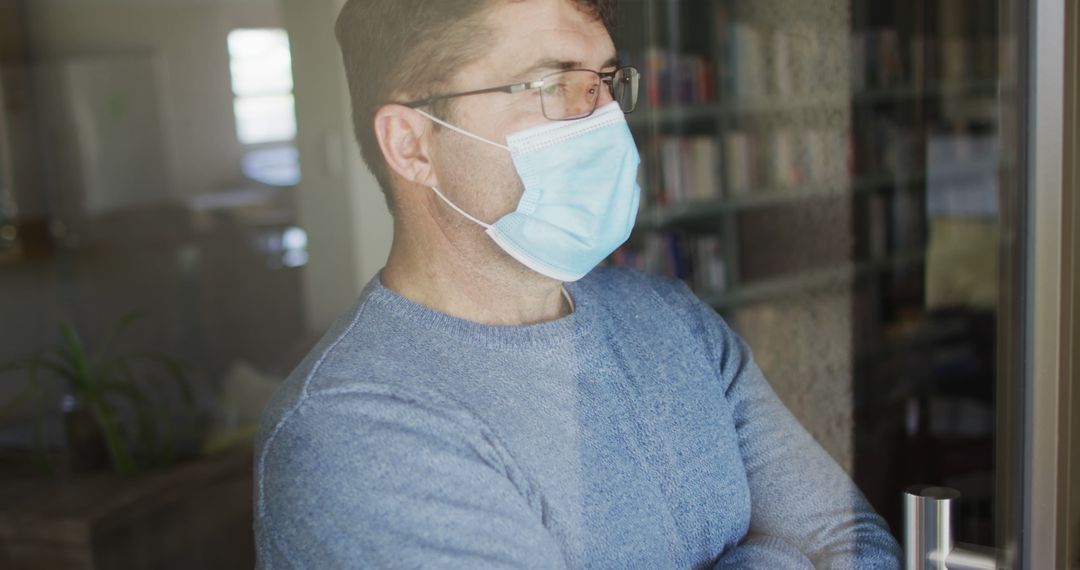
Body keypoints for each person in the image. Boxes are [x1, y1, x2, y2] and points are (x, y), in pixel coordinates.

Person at [253, 0, 903, 567]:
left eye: (604, 83)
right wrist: (779, 556)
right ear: (412, 144)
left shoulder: (672, 319)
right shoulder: (352, 428)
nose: (602, 119)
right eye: (552, 84)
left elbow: (855, 542)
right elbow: (814, 552)